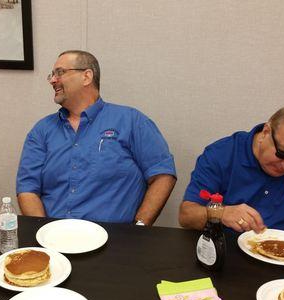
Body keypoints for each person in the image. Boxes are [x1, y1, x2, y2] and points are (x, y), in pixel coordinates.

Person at [16, 50, 176, 226]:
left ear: (86, 76)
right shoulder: (42, 130)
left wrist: (139, 228)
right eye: (52, 75)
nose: (53, 80)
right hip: (54, 240)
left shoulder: (130, 121)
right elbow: (27, 189)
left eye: (60, 72)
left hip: (115, 243)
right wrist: (45, 232)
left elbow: (162, 175)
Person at [179, 102, 284, 260]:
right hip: (225, 256)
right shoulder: (221, 154)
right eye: (283, 153)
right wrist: (221, 213)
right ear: (266, 132)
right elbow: (187, 215)